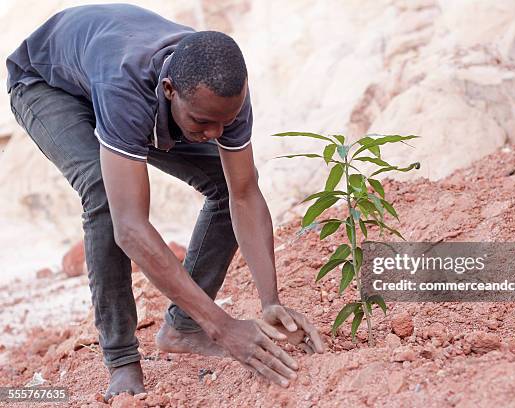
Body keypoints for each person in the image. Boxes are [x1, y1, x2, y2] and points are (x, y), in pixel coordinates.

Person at [6, 3, 324, 400]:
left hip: (108, 70)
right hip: (47, 83)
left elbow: (243, 192)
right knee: (105, 194)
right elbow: (130, 227)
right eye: (203, 123)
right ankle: (121, 359)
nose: (214, 133)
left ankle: (182, 328)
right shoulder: (128, 87)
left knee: (226, 184)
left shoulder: (223, 94)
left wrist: (269, 300)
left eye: (224, 122)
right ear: (170, 90)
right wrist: (222, 326)